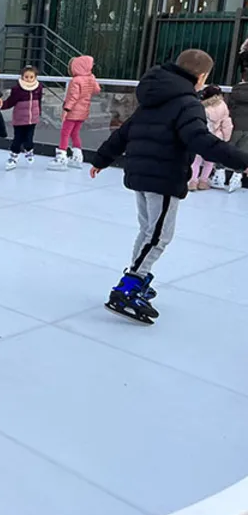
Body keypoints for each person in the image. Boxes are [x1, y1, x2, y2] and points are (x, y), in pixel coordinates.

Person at [90, 49, 248, 324]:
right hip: (163, 176)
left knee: (148, 232)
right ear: (202, 76)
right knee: (159, 236)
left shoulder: (154, 95)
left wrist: (102, 158)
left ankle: (137, 277)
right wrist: (242, 161)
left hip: (140, 174)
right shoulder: (187, 103)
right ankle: (128, 287)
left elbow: (126, 131)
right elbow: (200, 140)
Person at [49, 55, 100, 171]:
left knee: (65, 133)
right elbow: (97, 90)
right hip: (83, 111)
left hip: (73, 111)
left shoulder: (76, 81)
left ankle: (61, 157)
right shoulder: (91, 78)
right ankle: (77, 157)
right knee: (74, 133)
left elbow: (73, 97)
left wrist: (66, 110)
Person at [189, 85, 232, 191]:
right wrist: (226, 138)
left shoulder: (200, 106)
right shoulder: (223, 106)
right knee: (209, 162)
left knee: (196, 161)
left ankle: (193, 182)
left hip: (200, 136)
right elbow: (226, 123)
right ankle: (203, 182)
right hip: (215, 137)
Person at [1, 66, 42, 170]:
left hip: (32, 120)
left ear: (35, 77)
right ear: (22, 77)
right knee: (18, 139)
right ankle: (13, 157)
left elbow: (39, 101)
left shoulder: (38, 88)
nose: (28, 79)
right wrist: (0, 105)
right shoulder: (17, 89)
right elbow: (10, 102)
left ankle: (29, 150)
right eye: (26, 77)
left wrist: (39, 113)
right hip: (19, 119)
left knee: (29, 138)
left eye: (31, 77)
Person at [219, 67, 248, 192]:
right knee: (243, 152)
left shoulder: (236, 90)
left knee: (227, 149)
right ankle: (237, 177)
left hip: (234, 125)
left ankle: (219, 173)